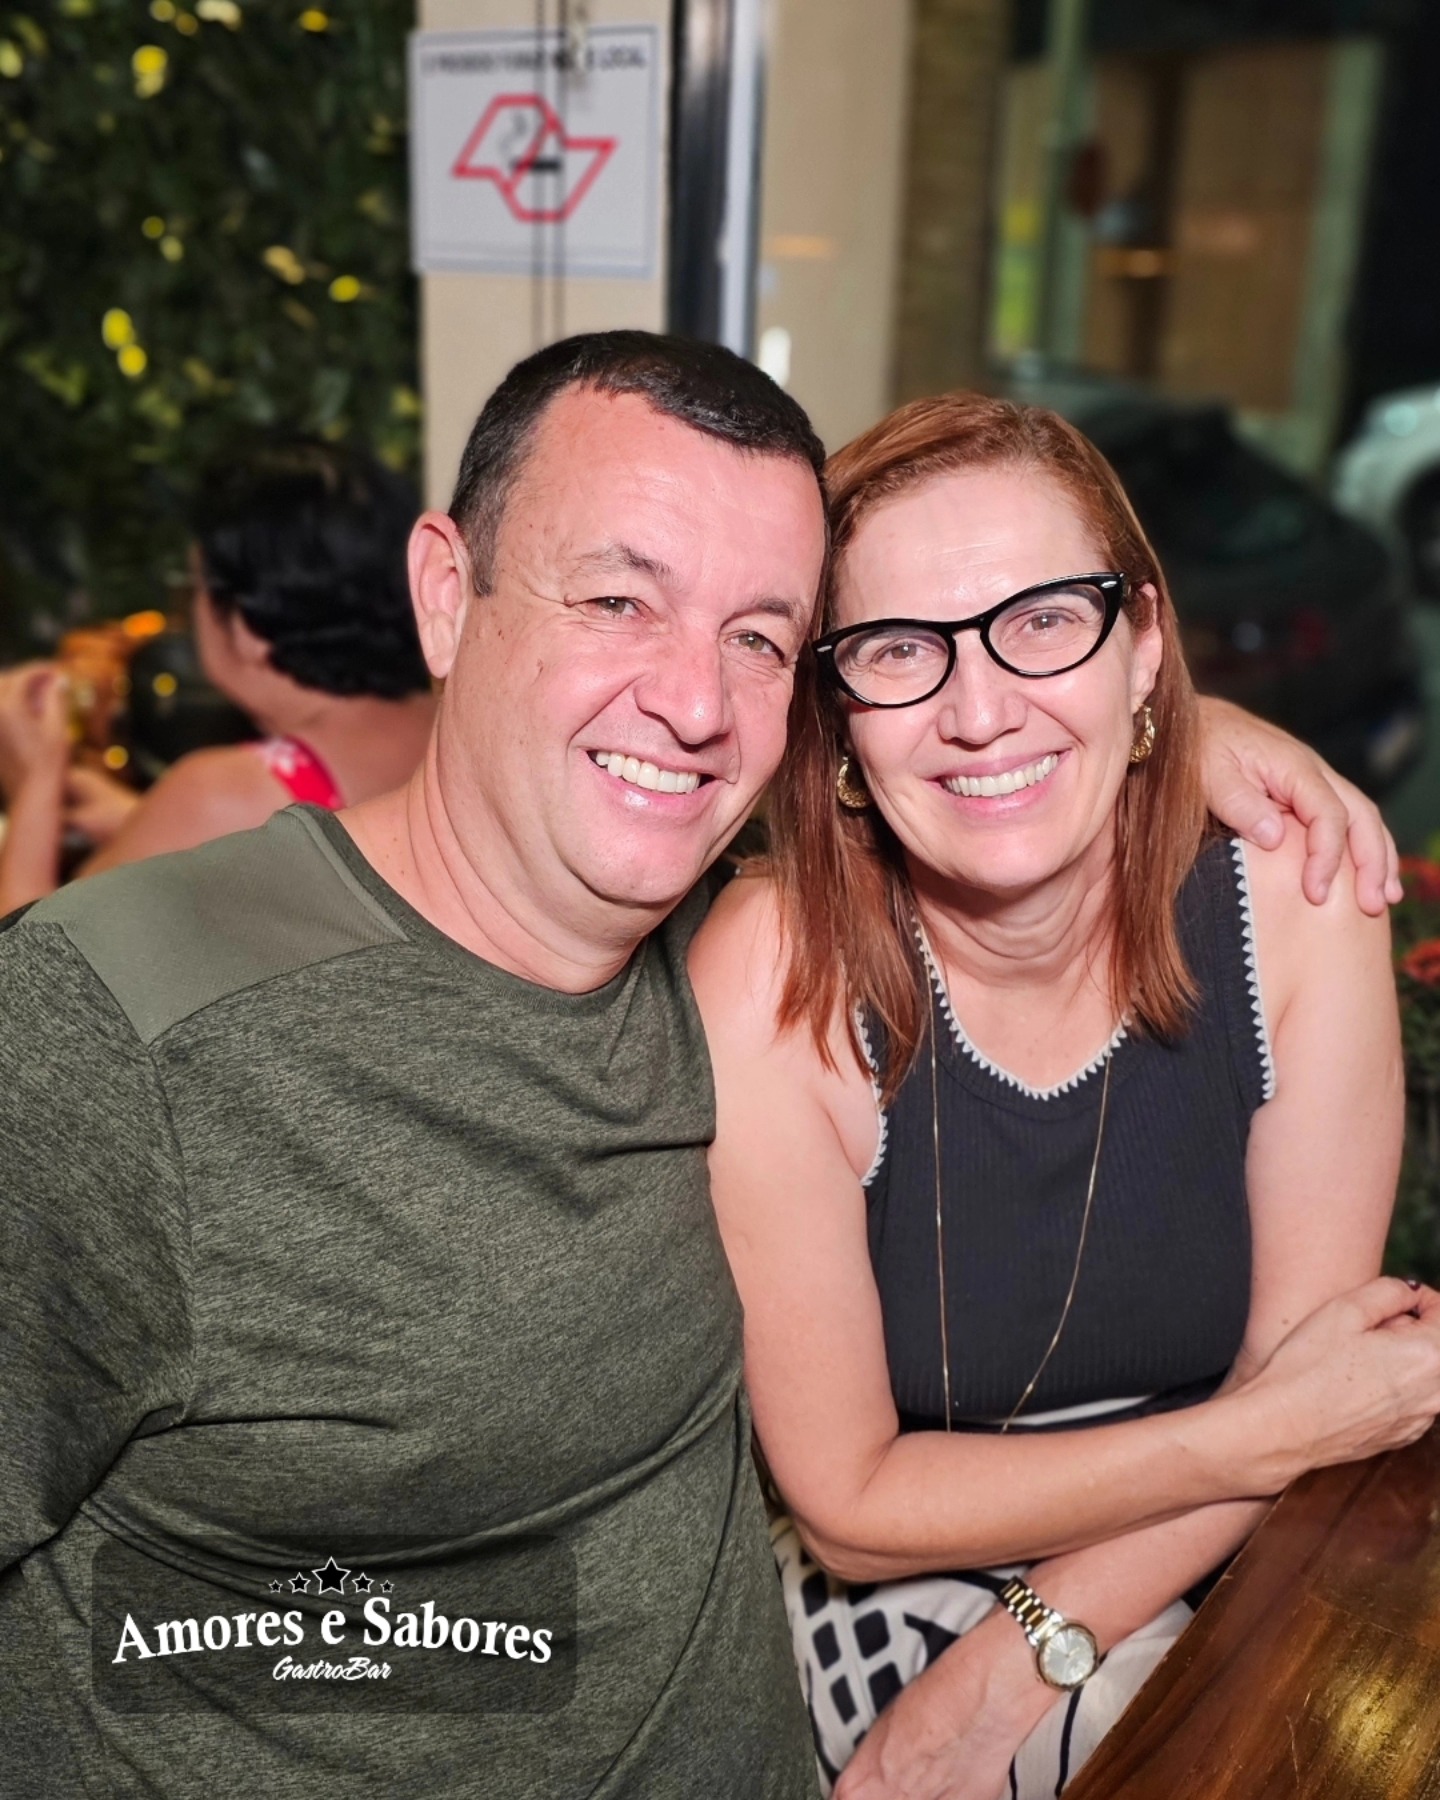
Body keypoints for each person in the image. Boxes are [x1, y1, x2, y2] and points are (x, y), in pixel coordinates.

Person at [0, 336, 1416, 1800]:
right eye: (619, 600)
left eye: (757, 637)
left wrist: (1165, 735)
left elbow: (996, 748)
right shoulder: (113, 1030)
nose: (694, 701)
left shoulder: (709, 946)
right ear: (445, 596)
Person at [688, 391, 1440, 1800]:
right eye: (899, 650)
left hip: (1244, 1529)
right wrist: (1260, 1434)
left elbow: (1301, 1382)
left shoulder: (1294, 897)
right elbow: (852, 1508)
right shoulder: (777, 978)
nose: (980, 712)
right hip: (905, 1569)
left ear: (1143, 642)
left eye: (1043, 622)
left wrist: (1014, 1665)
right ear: (836, 715)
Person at [0, 441, 435, 912]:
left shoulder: (222, 795)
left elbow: (24, 952)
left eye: (197, 586)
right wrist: (139, 820)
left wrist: (35, 782)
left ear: (248, 629)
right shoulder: (441, 723)